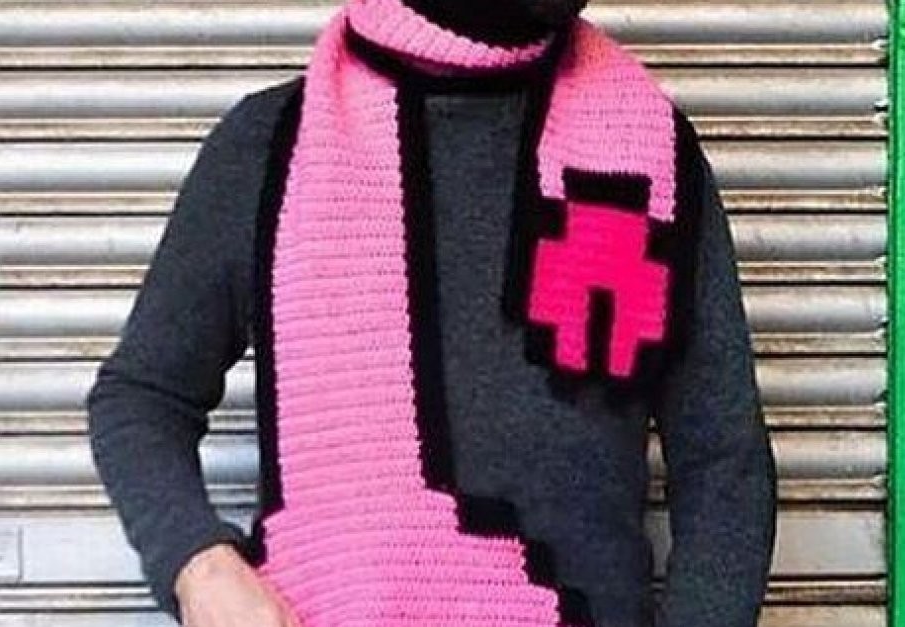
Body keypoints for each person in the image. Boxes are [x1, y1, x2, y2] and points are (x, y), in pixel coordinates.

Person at [85, 0, 777, 625]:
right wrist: (200, 565)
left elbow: (724, 464)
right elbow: (142, 396)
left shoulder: (645, 158)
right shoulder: (272, 146)